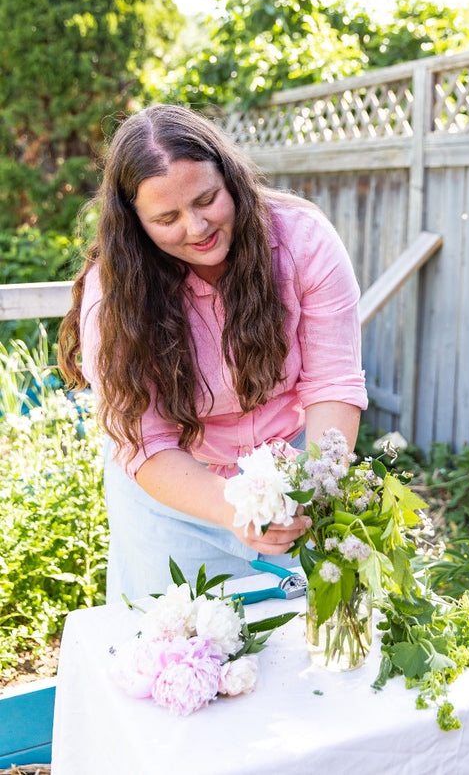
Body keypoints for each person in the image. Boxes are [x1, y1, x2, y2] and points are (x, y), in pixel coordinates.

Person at [58, 104, 368, 602]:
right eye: (167, 218)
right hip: (174, 492)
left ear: (231, 179)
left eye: (207, 199)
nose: (197, 227)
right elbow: (146, 443)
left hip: (290, 473)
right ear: (135, 223)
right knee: (182, 648)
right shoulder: (113, 297)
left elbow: (333, 384)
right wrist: (234, 510)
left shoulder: (304, 242)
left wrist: (308, 489)